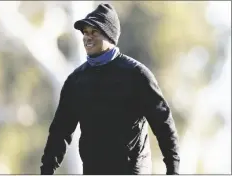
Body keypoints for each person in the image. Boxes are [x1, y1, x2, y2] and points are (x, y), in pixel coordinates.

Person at [40, 3, 180, 175]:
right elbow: (60, 131)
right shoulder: (76, 81)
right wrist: (46, 170)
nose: (87, 38)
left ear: (110, 36)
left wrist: (173, 169)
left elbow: (164, 125)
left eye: (94, 32)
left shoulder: (137, 75)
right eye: (85, 33)